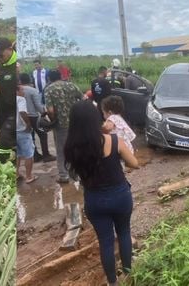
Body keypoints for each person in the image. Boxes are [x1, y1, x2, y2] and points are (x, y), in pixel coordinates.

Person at [64, 100, 139, 286]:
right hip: (120, 196)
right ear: (96, 118)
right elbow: (134, 164)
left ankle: (112, 282)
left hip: (95, 200)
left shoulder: (71, 149)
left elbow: (74, 174)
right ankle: (128, 274)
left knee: (105, 242)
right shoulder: (114, 141)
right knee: (123, 232)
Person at [44, 69, 83, 183]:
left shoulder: (49, 89)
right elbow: (83, 99)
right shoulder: (71, 86)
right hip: (76, 122)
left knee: (61, 150)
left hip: (61, 125)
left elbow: (50, 110)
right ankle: (80, 172)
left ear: (49, 78)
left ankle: (64, 175)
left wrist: (52, 121)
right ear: (60, 76)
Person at [19, 73, 56, 163]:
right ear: (30, 80)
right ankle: (46, 155)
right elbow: (38, 105)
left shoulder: (18, 90)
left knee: (31, 136)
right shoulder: (33, 90)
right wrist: (44, 113)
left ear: (20, 81)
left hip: (23, 116)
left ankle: (35, 155)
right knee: (43, 135)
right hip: (34, 116)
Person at [16, 85, 37, 183]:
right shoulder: (20, 99)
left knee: (18, 154)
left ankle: (16, 173)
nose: (23, 91)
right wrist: (28, 124)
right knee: (29, 153)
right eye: (22, 90)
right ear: (17, 91)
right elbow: (22, 112)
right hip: (22, 130)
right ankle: (29, 176)